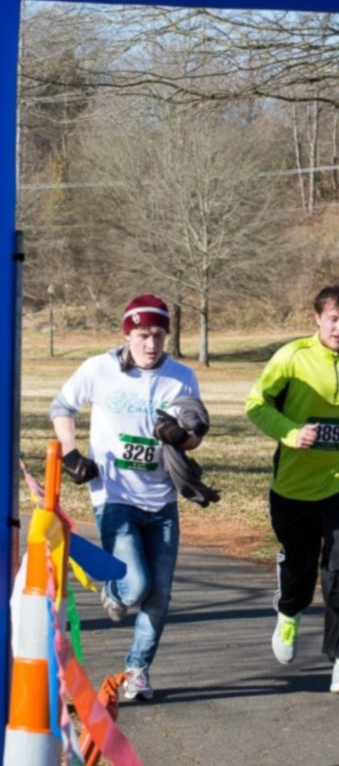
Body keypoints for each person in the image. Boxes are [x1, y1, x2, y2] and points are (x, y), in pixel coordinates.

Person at [50, 294, 203, 701]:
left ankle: (137, 671)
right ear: (127, 335)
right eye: (141, 335)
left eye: (157, 335)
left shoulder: (182, 377)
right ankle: (113, 592)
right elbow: (62, 405)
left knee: (160, 594)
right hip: (115, 496)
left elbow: (194, 434)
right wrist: (69, 452)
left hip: (163, 499)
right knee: (135, 587)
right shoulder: (99, 369)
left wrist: (181, 438)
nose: (150, 344)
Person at [245, 285, 339, 694]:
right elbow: (257, 405)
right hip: (293, 484)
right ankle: (289, 611)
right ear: (317, 319)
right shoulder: (292, 358)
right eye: (333, 319)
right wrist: (291, 433)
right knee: (301, 563)